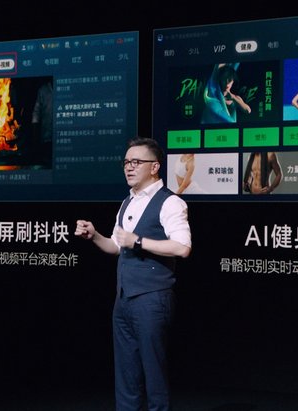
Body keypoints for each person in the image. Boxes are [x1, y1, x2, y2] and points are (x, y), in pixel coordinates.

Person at [75, 137, 191, 411]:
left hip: (152, 299)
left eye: (136, 162)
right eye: (126, 162)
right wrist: (94, 236)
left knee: (154, 374)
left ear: (155, 167)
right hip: (124, 299)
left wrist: (138, 241)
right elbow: (116, 246)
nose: (129, 167)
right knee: (126, 376)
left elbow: (182, 247)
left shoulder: (170, 203)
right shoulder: (128, 202)